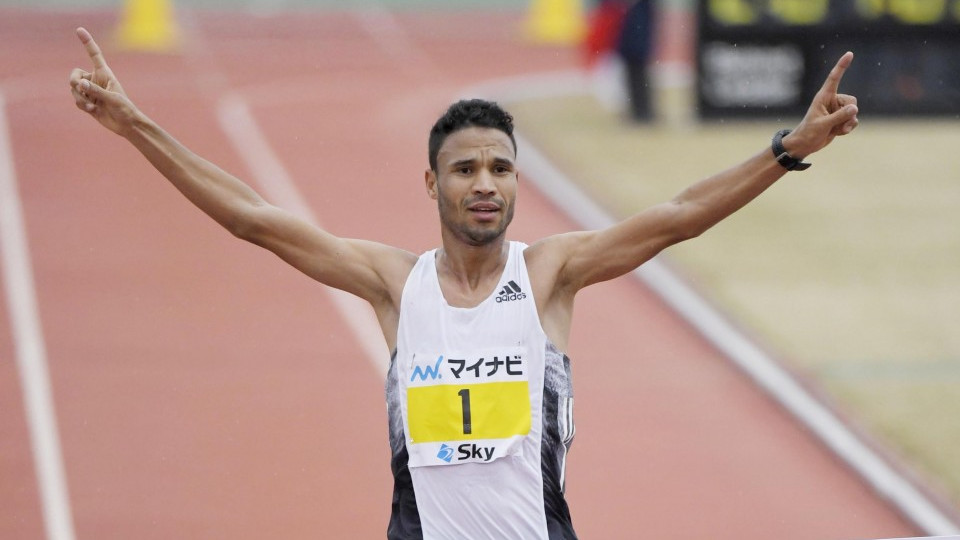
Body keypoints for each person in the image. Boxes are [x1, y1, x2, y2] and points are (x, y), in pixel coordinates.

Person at [69, 25, 859, 539]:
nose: (485, 184)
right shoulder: (394, 284)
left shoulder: (551, 273)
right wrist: (135, 124)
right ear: (432, 182)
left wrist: (787, 150)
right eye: (465, 168)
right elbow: (254, 219)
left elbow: (678, 215)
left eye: (501, 168)